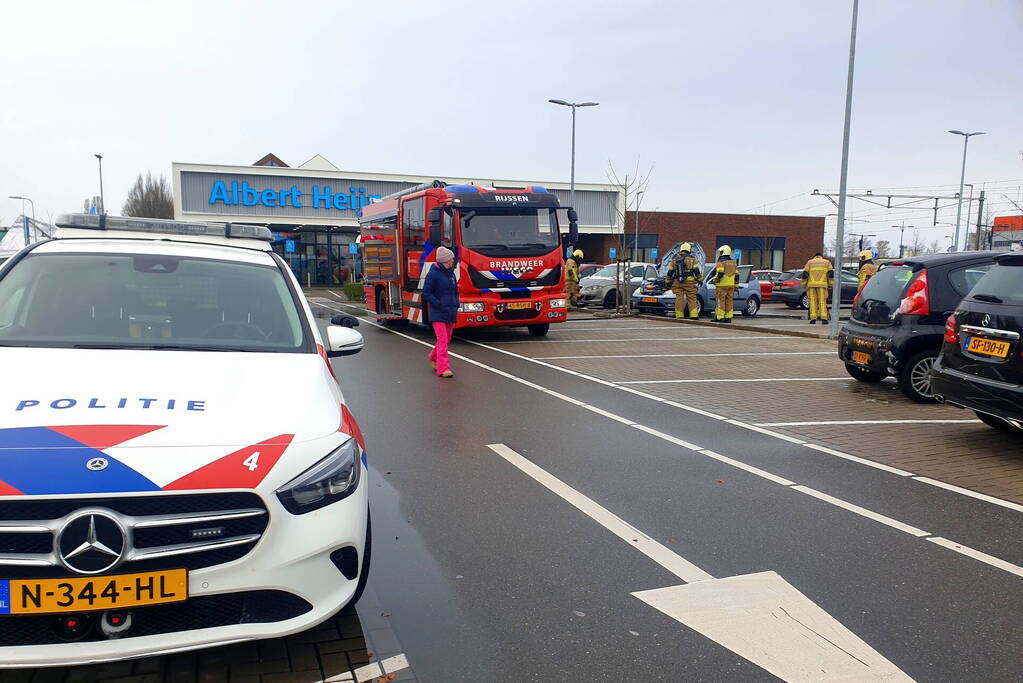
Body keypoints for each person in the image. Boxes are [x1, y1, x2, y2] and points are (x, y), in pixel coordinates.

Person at [423, 247, 459, 378]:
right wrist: (438, 304)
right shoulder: (433, 275)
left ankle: (433, 356)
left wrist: (456, 304)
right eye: (451, 258)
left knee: (447, 339)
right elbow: (426, 293)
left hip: (450, 311)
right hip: (438, 313)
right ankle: (443, 368)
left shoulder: (452, 275)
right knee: (442, 340)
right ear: (445, 260)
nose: (453, 260)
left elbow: (455, 292)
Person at [666, 243, 701, 319]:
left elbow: (670, 272)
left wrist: (668, 281)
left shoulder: (674, 259)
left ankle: (679, 315)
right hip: (689, 282)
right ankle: (694, 315)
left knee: (679, 298)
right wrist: (700, 280)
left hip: (678, 282)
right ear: (689, 250)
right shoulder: (692, 259)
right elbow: (697, 271)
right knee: (692, 298)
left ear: (681, 249)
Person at [800, 251, 834, 324]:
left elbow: (804, 275)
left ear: (814, 256)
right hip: (822, 285)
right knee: (822, 301)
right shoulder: (827, 262)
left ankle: (813, 319)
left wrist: (804, 285)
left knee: (812, 302)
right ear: (821, 256)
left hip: (811, 286)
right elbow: (831, 274)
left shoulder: (809, 262)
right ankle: (824, 319)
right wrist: (831, 284)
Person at [712, 245, 738, 322]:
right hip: (731, 285)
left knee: (720, 301)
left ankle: (720, 317)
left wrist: (715, 280)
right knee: (729, 301)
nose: (720, 253)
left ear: (723, 252)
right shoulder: (733, 262)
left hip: (722, 285)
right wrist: (736, 285)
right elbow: (737, 275)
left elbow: (720, 273)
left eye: (721, 252)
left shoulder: (721, 262)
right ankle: (728, 317)